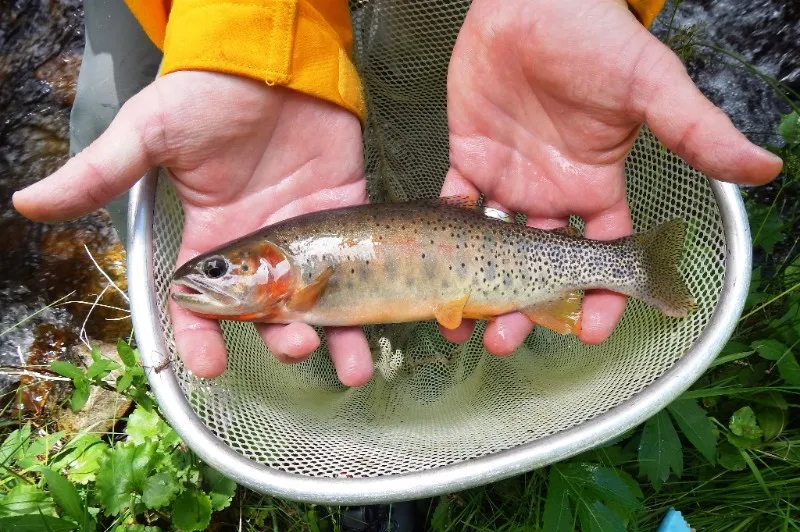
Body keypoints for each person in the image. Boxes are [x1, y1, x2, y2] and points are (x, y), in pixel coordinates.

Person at [14, 0, 781, 385]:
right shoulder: (292, 282)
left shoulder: (297, 278)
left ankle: (628, 264)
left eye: (221, 269)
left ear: (272, 264)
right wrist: (241, 42)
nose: (210, 274)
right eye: (220, 270)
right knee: (110, 115)